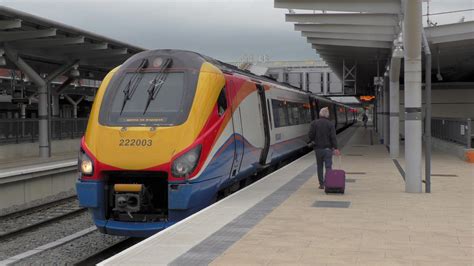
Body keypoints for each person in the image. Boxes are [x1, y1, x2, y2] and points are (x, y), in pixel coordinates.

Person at [308, 107, 340, 189]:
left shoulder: (314, 123)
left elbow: (310, 135)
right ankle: (329, 183)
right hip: (328, 149)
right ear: (327, 115)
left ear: (320, 114)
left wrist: (314, 140)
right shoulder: (330, 124)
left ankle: (321, 184)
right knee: (328, 166)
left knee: (319, 166)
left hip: (318, 149)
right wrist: (335, 148)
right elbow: (333, 137)